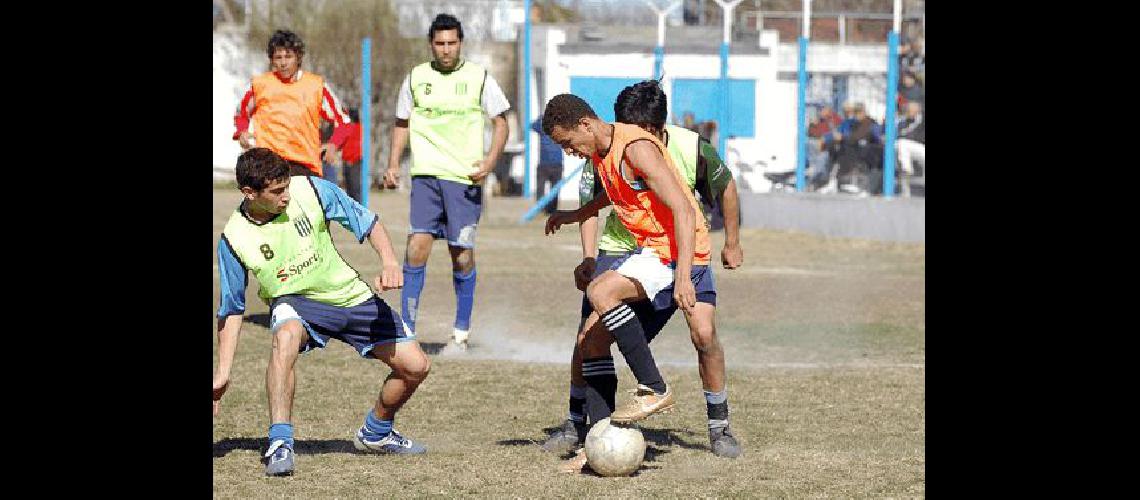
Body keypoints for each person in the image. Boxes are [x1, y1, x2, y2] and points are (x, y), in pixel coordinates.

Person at [540, 81, 744, 471]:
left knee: (697, 331)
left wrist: (683, 276)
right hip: (652, 251)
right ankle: (595, 441)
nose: (568, 152)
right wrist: (576, 215)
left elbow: (684, 210)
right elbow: (618, 193)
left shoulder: (636, 146)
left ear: (585, 124)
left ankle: (659, 390)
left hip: (681, 252)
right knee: (591, 341)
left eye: (568, 142)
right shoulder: (602, 151)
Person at [212, 148, 432, 477]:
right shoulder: (234, 238)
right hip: (295, 301)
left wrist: (388, 261)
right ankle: (280, 441)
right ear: (249, 193)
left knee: (415, 367)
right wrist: (223, 372)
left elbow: (368, 223)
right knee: (285, 336)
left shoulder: (312, 189)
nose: (286, 196)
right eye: (276, 192)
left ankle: (376, 432)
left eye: (286, 186)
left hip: (347, 294)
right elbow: (231, 309)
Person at [382, 13, 510, 351]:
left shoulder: (479, 78)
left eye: (452, 43)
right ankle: (407, 332)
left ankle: (461, 334)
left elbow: (501, 122)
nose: (446, 49)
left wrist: (490, 162)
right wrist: (394, 164)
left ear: (460, 43)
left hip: (464, 180)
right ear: (431, 44)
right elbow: (401, 123)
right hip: (425, 177)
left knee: (462, 256)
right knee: (416, 249)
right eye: (440, 43)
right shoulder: (416, 78)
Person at [234, 29, 353, 177]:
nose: (283, 63)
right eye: (278, 57)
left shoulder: (316, 86)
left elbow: (344, 121)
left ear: (298, 57)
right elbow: (241, 113)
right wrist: (242, 132)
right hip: (267, 165)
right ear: (272, 59)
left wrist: (334, 144)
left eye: (288, 56)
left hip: (304, 166)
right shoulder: (259, 84)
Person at [531, 117, 565, 215]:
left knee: (550, 190)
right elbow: (533, 126)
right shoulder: (560, 125)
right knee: (547, 189)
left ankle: (546, 210)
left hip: (550, 163)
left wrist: (542, 117)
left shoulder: (543, 125)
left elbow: (533, 125)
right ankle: (546, 210)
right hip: (549, 164)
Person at [330, 107, 365, 203]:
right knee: (352, 188)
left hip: (353, 162)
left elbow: (339, 143)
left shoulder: (351, 128)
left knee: (353, 188)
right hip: (352, 162)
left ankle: (357, 209)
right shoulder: (359, 128)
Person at [895, 101, 925, 197]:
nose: (910, 113)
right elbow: (898, 134)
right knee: (901, 145)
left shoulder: (922, 121)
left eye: (913, 110)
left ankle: (906, 168)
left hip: (920, 146)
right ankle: (906, 170)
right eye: (909, 110)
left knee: (902, 145)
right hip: (905, 146)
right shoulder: (903, 122)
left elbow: (919, 137)